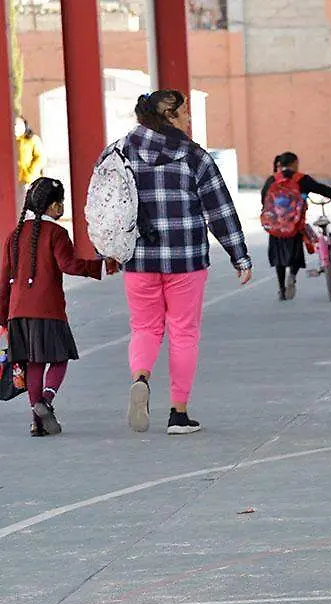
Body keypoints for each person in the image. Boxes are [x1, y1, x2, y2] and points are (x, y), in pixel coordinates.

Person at [121, 90, 253, 435]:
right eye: (184, 114)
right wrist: (238, 255)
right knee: (183, 333)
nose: (190, 120)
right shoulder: (194, 156)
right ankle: (178, 414)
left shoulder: (119, 151)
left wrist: (108, 249)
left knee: (145, 328)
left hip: (138, 257)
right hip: (186, 258)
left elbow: (105, 203)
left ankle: (141, 378)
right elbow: (219, 208)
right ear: (169, 118)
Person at [0, 178, 114, 436]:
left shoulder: (13, 236)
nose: (61, 207)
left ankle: (36, 423)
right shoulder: (57, 233)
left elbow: (4, 277)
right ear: (52, 206)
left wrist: (3, 316)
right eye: (59, 203)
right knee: (60, 359)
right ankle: (45, 401)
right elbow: (69, 265)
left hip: (18, 313)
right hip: (48, 310)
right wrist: (98, 265)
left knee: (33, 364)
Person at [261, 152, 331, 301]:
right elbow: (324, 190)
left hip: (276, 225)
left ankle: (281, 288)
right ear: (294, 163)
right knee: (296, 254)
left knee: (279, 257)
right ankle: (292, 275)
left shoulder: (272, 180)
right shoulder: (302, 179)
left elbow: (264, 201)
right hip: (295, 224)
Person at [14, 117, 46, 202]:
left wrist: (30, 173)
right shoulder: (11, 141)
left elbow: (40, 158)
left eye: (19, 125)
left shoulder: (33, 139)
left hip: (30, 179)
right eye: (14, 124)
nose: (16, 127)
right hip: (15, 180)